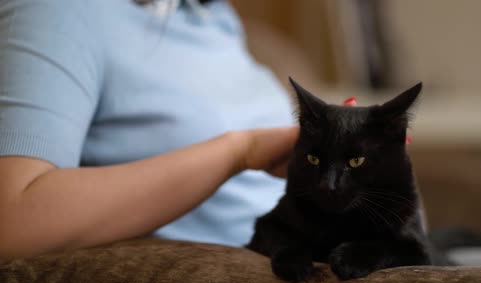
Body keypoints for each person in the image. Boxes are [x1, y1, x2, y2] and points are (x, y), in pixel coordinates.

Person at [0, 0, 299, 260]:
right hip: (242, 282)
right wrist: (238, 153)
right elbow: (12, 220)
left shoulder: (212, 15)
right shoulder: (58, 10)